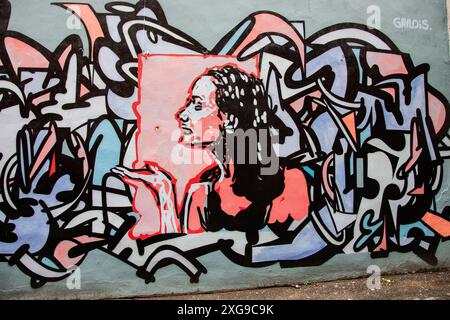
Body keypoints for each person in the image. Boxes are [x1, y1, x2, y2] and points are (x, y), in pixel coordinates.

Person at [112, 65, 310, 239]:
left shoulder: (287, 179)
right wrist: (164, 192)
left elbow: (299, 244)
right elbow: (182, 250)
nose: (182, 114)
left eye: (197, 105)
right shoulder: (202, 190)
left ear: (230, 118)